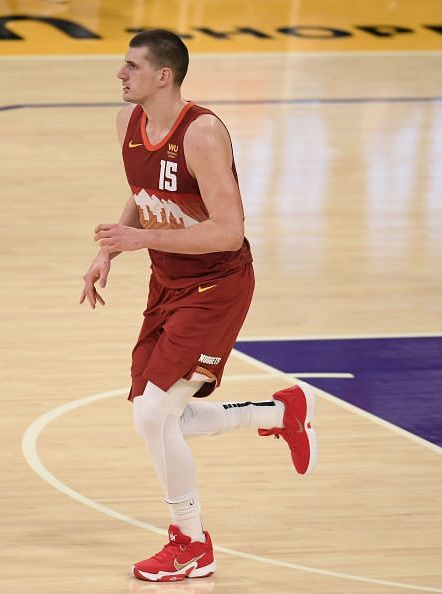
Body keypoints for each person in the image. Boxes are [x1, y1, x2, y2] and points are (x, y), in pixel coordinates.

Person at [80, 29, 318, 583]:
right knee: (164, 418)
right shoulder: (127, 125)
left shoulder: (203, 133)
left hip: (217, 285)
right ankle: (280, 414)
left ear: (164, 75)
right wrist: (109, 248)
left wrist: (141, 241)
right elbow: (145, 198)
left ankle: (191, 543)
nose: (120, 74)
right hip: (168, 281)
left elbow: (229, 233)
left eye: (131, 66)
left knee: (152, 414)